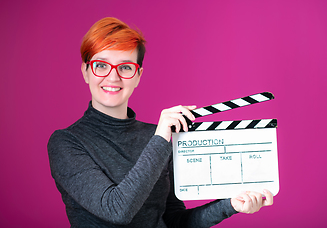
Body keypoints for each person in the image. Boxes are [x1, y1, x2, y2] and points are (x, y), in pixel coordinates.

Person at [47, 17, 273, 228]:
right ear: (86, 72)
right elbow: (116, 210)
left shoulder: (158, 136)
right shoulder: (66, 143)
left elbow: (175, 221)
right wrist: (161, 138)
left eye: (125, 67)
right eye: (101, 65)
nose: (113, 77)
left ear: (138, 75)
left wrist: (230, 205)